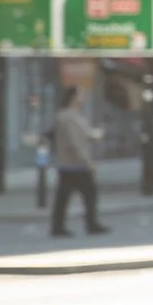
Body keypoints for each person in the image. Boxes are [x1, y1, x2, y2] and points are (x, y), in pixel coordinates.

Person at [49, 85, 107, 237]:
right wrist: (87, 161)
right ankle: (89, 224)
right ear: (73, 98)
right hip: (75, 164)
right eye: (81, 95)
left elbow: (82, 135)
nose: (84, 98)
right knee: (86, 195)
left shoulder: (71, 115)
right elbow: (74, 142)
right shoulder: (69, 117)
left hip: (69, 164)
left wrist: (93, 135)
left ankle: (60, 226)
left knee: (65, 197)